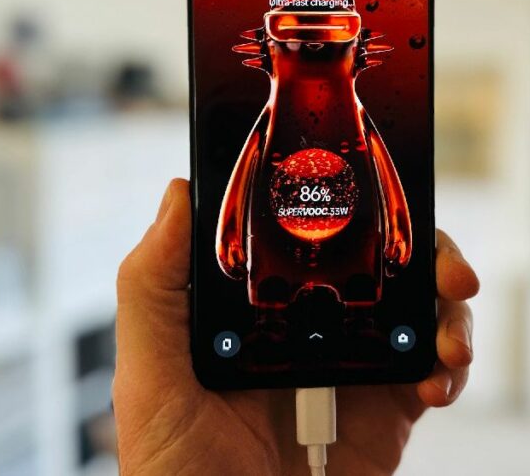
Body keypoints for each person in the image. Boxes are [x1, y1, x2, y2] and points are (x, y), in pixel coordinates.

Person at [114, 179, 479, 475]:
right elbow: (241, 183)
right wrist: (232, 245)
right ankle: (301, 319)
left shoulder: (350, 123)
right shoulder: (273, 124)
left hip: (346, 252)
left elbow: (389, 185)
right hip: (283, 255)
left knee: (353, 286)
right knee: (291, 286)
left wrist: (398, 239)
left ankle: (345, 318)